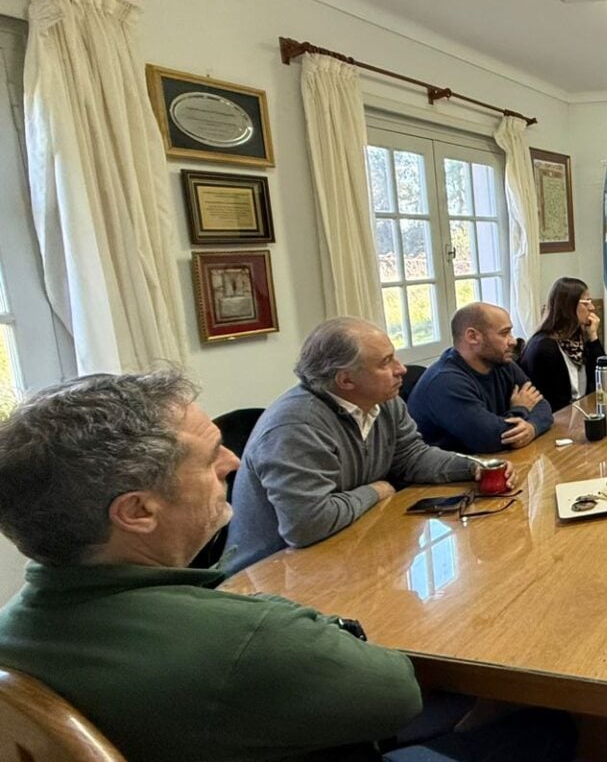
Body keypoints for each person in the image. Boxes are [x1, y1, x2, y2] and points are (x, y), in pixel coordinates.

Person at [0, 372, 574, 762]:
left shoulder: (12, 635)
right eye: (208, 457)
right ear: (137, 511)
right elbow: (397, 695)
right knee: (553, 722)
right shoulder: (247, 638)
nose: (233, 460)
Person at [224, 317, 493, 574]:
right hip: (271, 574)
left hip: (348, 546)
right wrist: (376, 490)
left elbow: (412, 457)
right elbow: (306, 525)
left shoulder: (384, 402)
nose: (401, 369)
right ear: (346, 380)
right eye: (386, 362)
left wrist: (475, 468)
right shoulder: (295, 427)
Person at [408, 302, 554, 453]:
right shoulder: (444, 381)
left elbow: (542, 406)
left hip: (495, 461)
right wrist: (521, 409)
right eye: (504, 333)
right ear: (473, 337)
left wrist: (532, 427)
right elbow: (491, 438)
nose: (513, 341)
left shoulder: (502, 363)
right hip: (455, 471)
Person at [520, 277, 605, 412]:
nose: (592, 308)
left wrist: (593, 337)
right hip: (559, 420)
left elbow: (603, 379)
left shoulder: (577, 338)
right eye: (586, 302)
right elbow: (551, 403)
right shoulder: (544, 347)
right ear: (568, 306)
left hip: (582, 411)